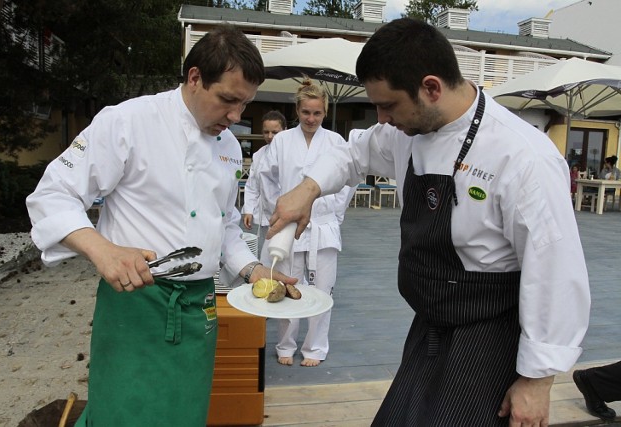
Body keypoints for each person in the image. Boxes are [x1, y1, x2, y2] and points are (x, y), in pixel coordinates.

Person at [267, 18, 590, 425]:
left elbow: (557, 273)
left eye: (388, 105)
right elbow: (353, 154)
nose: (381, 119)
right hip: (430, 325)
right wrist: (308, 189)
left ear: (431, 88)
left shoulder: (524, 157)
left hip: (489, 332)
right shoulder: (405, 131)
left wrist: (537, 380)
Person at [26, 26, 296, 427]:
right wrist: (103, 250)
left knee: (184, 414)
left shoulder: (226, 146)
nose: (237, 117)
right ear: (194, 78)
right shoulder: (126, 121)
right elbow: (52, 195)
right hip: (136, 304)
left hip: (199, 308)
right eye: (227, 100)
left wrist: (253, 269)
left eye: (245, 104)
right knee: (122, 413)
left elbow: (223, 224)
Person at [259, 78, 354, 367]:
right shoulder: (283, 141)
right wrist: (279, 210)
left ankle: (315, 347)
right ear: (297, 111)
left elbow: (348, 182)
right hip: (289, 226)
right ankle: (285, 344)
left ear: (324, 113)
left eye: (317, 113)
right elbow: (266, 178)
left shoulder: (336, 141)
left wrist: (334, 215)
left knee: (323, 290)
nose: (311, 119)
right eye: (306, 113)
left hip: (323, 227)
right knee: (287, 286)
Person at [242, 110, 287, 260]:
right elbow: (252, 185)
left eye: (275, 132)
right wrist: (249, 209)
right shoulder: (259, 154)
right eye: (266, 132)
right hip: (266, 215)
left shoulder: (291, 154)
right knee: (266, 257)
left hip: (287, 216)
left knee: (285, 258)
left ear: (285, 131)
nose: (269, 136)